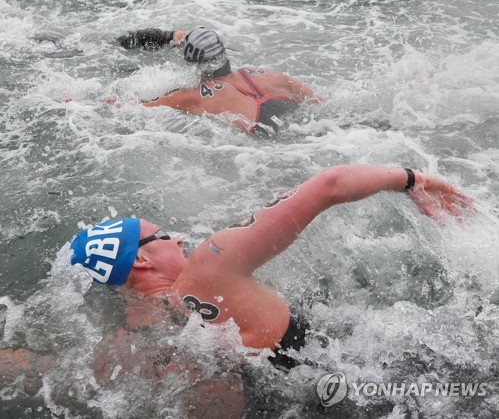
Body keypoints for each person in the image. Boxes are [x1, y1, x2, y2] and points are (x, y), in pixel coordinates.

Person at [69, 165, 472, 371]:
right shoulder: (207, 271)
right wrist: (413, 179)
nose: (177, 239)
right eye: (162, 236)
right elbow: (328, 185)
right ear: (140, 259)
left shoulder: (125, 345)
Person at [112, 27, 318, 135]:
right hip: (308, 121)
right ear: (224, 52)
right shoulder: (266, 72)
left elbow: (134, 108)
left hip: (265, 139)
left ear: (192, 63)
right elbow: (317, 101)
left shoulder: (193, 95)